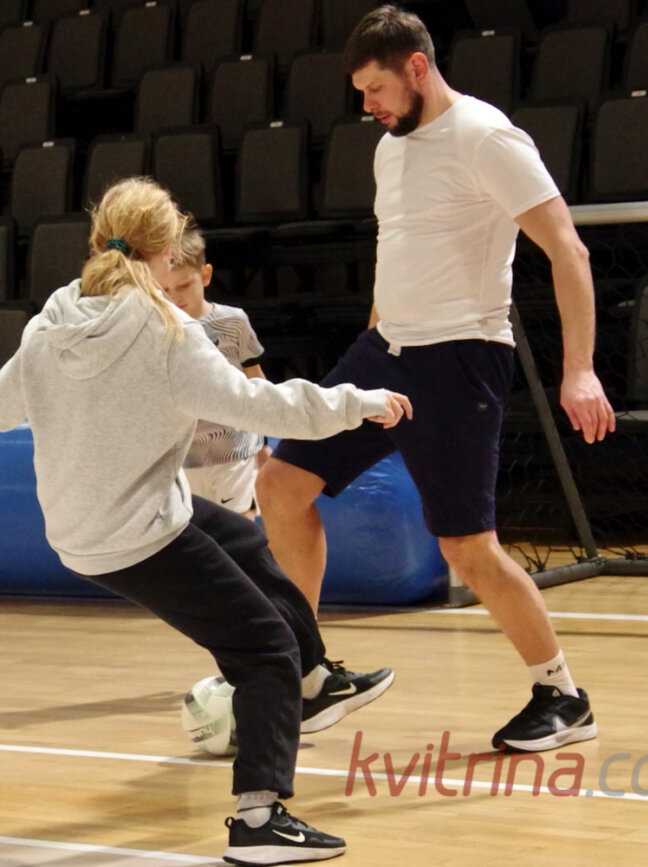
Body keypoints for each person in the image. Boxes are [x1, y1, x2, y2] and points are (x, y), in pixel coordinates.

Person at [0, 177, 412, 866]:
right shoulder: (166, 333)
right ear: (167, 251)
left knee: (248, 546)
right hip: (137, 536)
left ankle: (315, 681)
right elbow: (263, 407)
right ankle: (260, 819)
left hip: (93, 524)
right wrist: (359, 402)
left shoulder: (49, 325)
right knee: (263, 649)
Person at [256, 5, 617, 754]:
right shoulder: (390, 148)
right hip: (384, 351)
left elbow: (568, 251)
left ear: (417, 68)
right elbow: (398, 252)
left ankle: (562, 694)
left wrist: (579, 369)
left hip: (459, 359)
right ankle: (307, 672)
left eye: (376, 87)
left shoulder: (487, 137)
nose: (368, 104)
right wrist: (370, 340)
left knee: (466, 548)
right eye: (361, 91)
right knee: (280, 483)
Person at [161, 227, 272, 518]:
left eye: (184, 285)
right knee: (195, 534)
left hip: (235, 449)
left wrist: (263, 444)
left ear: (205, 275)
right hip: (182, 458)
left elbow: (256, 381)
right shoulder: (156, 330)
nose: (175, 297)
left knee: (241, 529)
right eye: (165, 290)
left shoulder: (234, 322)